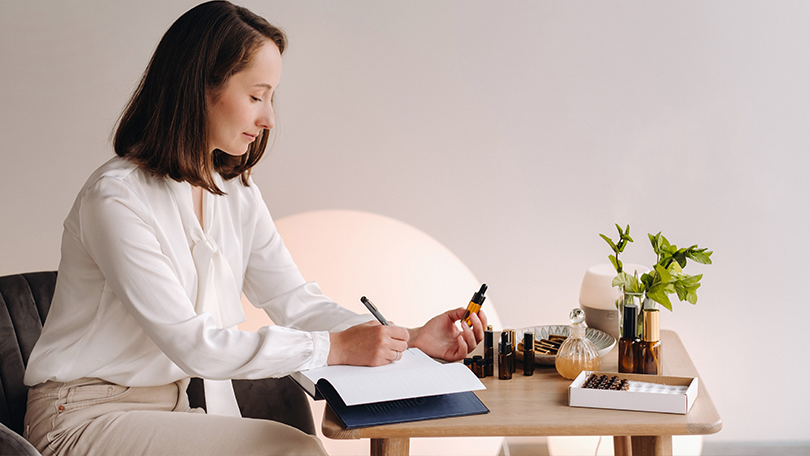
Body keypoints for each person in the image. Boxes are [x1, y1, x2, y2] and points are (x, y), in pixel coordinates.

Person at [21, 2, 487, 455]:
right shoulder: (116, 197)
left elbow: (293, 301)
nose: (268, 119)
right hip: (80, 420)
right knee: (293, 450)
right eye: (256, 95)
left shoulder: (236, 195)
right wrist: (335, 347)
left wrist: (408, 339)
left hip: (171, 410)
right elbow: (192, 344)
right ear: (200, 86)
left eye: (271, 97)